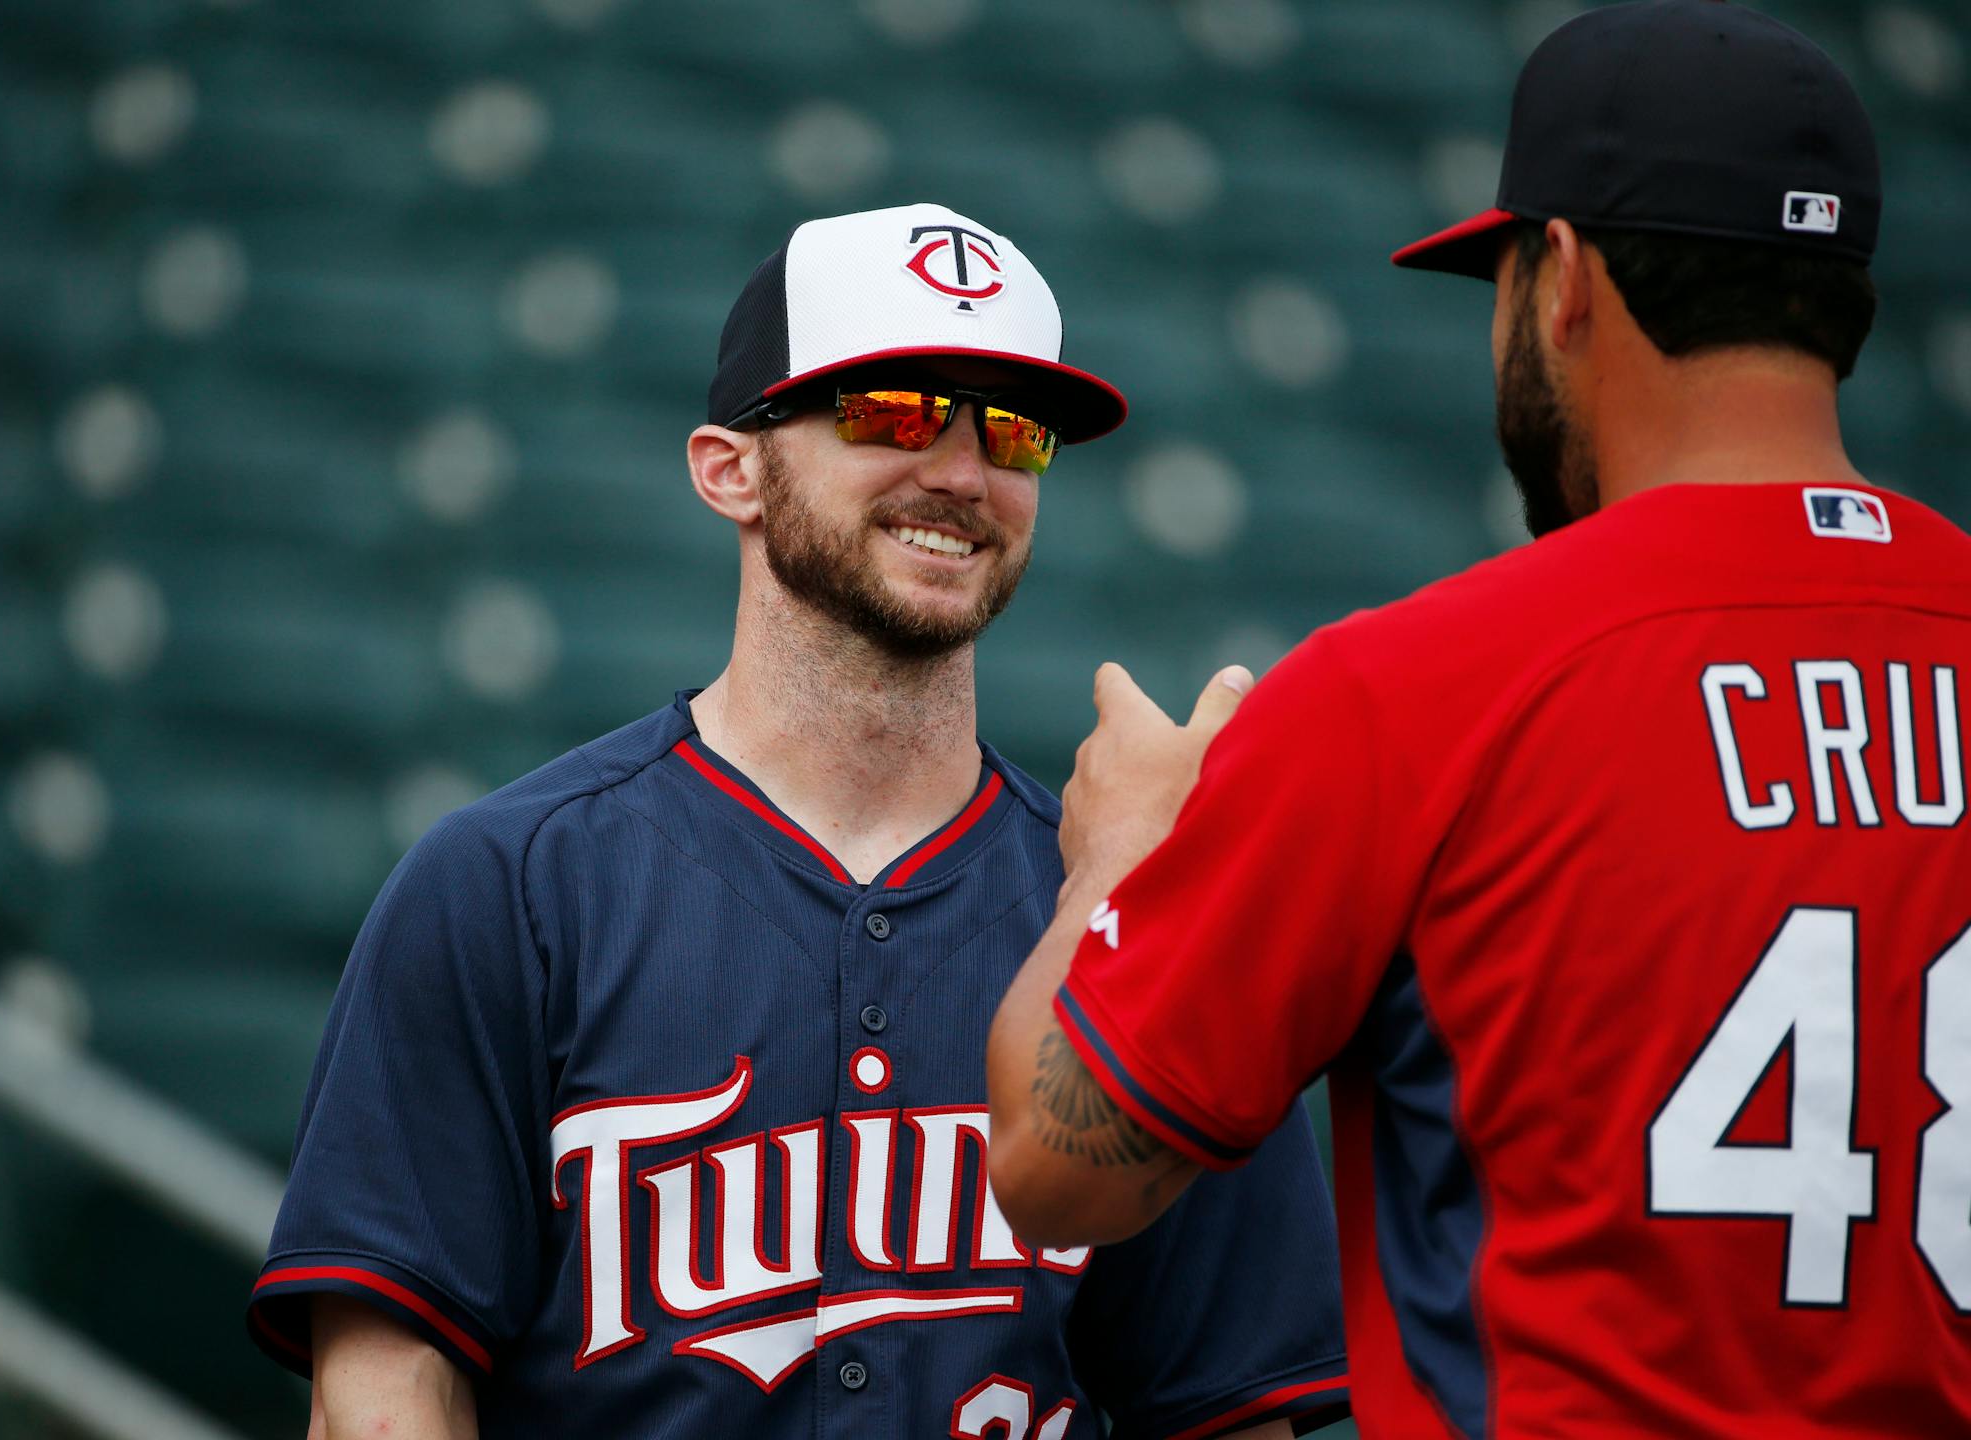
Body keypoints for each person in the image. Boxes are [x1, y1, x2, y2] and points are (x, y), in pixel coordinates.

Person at [985, 3, 1971, 1437]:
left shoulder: (1422, 688)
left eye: (1504, 277)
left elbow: (1054, 1161)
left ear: (1561, 277)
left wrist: (1120, 859)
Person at [246, 202, 1350, 1439]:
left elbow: (1227, 1410)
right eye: (892, 409)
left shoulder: (1121, 910)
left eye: (1012, 431)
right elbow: (383, 1383)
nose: (961, 472)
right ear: (732, 469)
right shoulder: (506, 883)